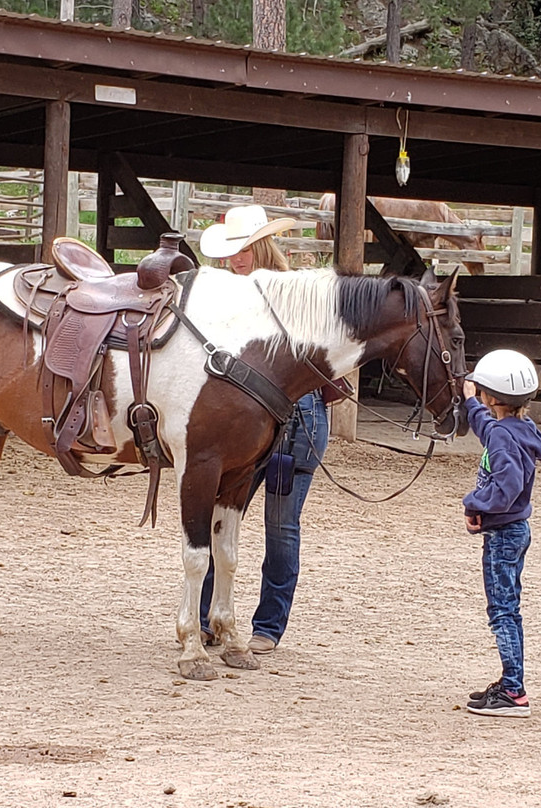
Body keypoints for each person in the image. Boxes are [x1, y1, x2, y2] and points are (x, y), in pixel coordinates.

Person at [197, 204, 330, 655]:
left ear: (263, 246)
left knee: (281, 527)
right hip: (240, 419)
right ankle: (207, 616)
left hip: (296, 421)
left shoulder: (294, 294)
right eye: (233, 249)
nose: (239, 257)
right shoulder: (220, 295)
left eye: (247, 247)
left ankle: (269, 626)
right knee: (219, 520)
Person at [461, 348, 541, 718]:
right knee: (508, 609)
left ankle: (514, 691)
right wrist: (471, 403)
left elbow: (507, 486)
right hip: (516, 530)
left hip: (501, 535)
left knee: (502, 612)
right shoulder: (519, 429)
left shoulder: (502, 437)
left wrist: (475, 504)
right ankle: (510, 679)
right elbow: (488, 429)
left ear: (493, 396)